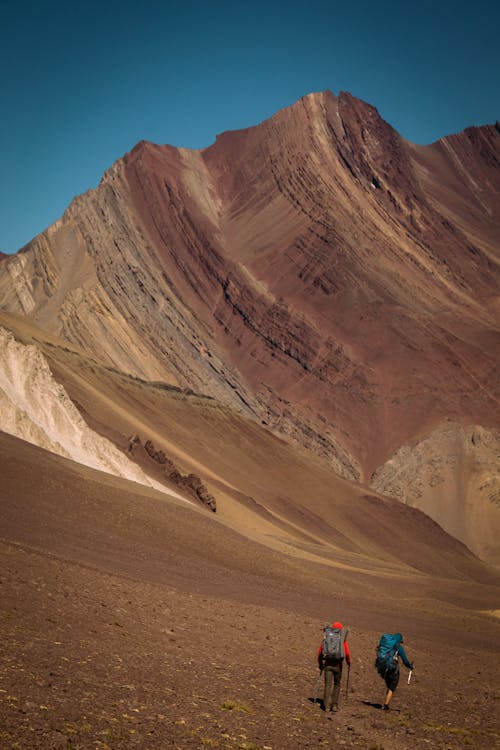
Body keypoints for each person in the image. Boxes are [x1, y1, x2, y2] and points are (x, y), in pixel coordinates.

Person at [317, 621, 351, 713]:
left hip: (327, 665)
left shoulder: (327, 638)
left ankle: (326, 706)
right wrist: (348, 662)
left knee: (327, 685)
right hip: (338, 666)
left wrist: (320, 664)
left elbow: (320, 652)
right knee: (337, 684)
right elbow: (347, 653)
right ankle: (334, 705)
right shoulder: (342, 640)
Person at [378, 632, 413, 710]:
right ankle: (385, 705)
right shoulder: (398, 647)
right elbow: (405, 660)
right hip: (393, 669)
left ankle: (386, 701)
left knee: (389, 685)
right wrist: (410, 666)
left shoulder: (386, 645)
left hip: (384, 668)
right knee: (392, 687)